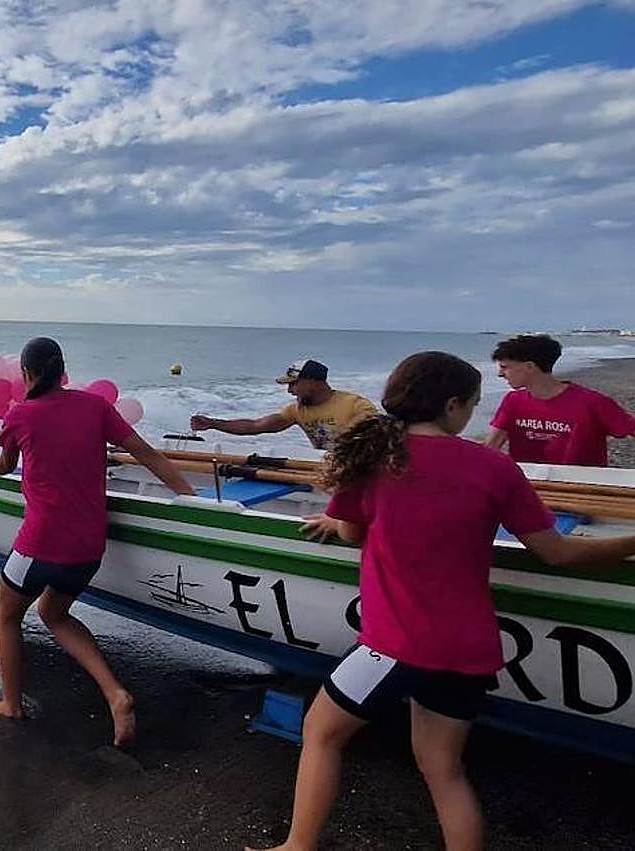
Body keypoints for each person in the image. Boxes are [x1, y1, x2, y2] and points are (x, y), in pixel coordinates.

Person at [256, 351, 635, 851]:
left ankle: (298, 847)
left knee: (322, 732)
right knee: (444, 770)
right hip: (468, 649)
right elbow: (557, 552)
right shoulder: (495, 467)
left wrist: (353, 519)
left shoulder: (371, 459)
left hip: (393, 646)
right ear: (452, 405)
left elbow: (350, 532)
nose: (471, 415)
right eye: (472, 405)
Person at [0, 337, 196, 746]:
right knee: (54, 613)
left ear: (26, 374)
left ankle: (11, 703)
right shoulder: (95, 407)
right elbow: (147, 454)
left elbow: (3, 465)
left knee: (7, 614)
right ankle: (114, 694)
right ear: (62, 371)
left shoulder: (20, 415)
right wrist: (192, 499)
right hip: (89, 548)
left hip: (40, 544)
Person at [484, 334, 635, 466]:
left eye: (505, 367)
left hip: (579, 485)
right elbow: (491, 446)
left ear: (529, 367)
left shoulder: (592, 402)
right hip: (527, 482)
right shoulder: (513, 401)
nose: (500, 374)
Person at [191, 359, 376, 450]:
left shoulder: (357, 406)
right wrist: (213, 423)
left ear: (313, 382)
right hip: (329, 468)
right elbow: (256, 426)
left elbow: (375, 444)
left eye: (294, 384)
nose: (290, 390)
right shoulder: (296, 410)